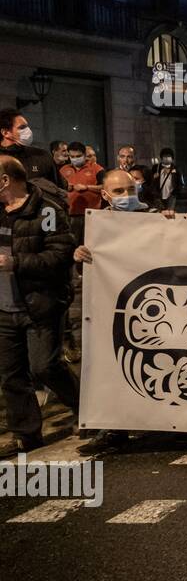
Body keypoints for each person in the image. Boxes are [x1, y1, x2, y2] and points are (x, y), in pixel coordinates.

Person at [71, 169, 160, 452]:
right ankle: (113, 428)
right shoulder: (96, 224)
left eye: (131, 190)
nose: (126, 196)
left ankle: (167, 422)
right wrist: (80, 256)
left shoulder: (156, 217)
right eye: (119, 192)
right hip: (115, 304)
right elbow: (87, 264)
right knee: (112, 363)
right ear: (105, 195)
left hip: (153, 304)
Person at [0, 156, 79, 457]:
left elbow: (61, 255)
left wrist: (17, 263)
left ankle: (83, 407)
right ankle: (27, 435)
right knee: (11, 375)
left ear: (5, 180)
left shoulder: (46, 210)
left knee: (45, 366)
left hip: (40, 304)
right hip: (5, 308)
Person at [0, 109, 62, 186]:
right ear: (5, 133)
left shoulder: (42, 156)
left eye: (27, 126)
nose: (28, 130)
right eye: (22, 127)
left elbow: (59, 189)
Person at [59, 140, 105, 243]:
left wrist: (87, 187)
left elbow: (105, 187)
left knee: (90, 245)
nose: (75, 159)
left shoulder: (96, 169)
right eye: (72, 156)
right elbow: (56, 189)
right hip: (69, 216)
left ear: (84, 155)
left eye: (78, 156)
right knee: (72, 246)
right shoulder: (63, 170)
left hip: (91, 215)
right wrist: (65, 188)